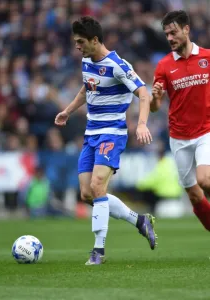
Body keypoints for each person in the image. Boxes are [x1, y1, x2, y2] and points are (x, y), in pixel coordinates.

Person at [55, 16, 157, 265]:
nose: (77, 46)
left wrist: (141, 124)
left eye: (81, 42)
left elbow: (143, 94)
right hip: (91, 133)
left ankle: (98, 251)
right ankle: (139, 220)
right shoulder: (86, 60)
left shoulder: (118, 65)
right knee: (87, 194)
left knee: (99, 187)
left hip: (112, 133)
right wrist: (68, 110)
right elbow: (86, 88)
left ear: (95, 40)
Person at [151, 10, 210, 232]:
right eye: (166, 34)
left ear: (186, 30)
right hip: (179, 137)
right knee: (195, 196)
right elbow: (155, 108)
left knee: (205, 180)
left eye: (173, 32)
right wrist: (156, 98)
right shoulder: (164, 65)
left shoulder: (207, 57)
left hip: (206, 131)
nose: (169, 38)